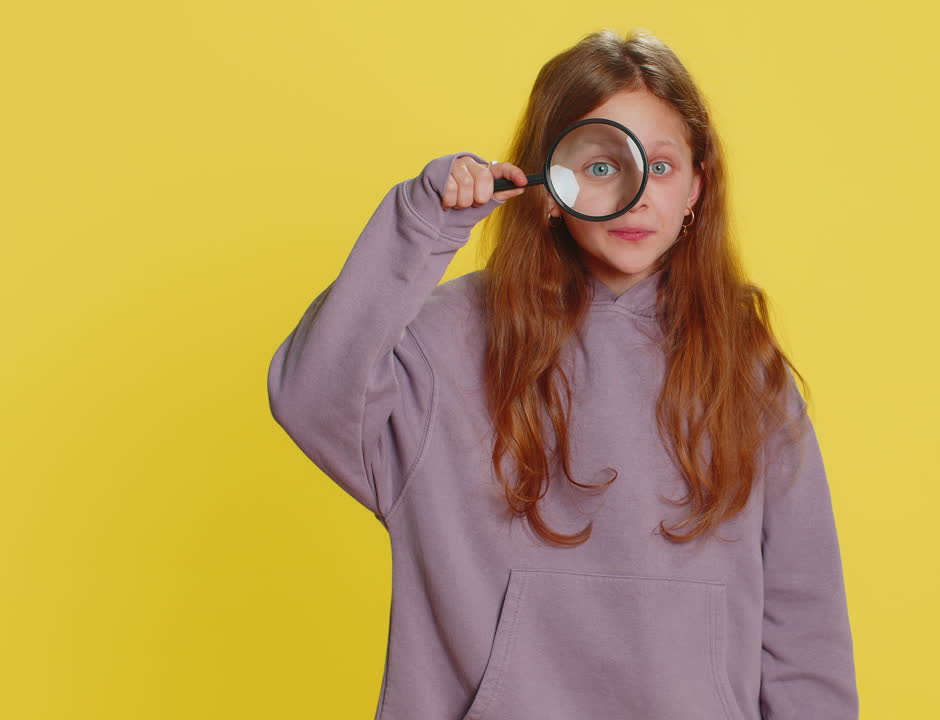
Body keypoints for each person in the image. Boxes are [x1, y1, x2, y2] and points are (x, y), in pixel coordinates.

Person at [267, 27, 859, 720]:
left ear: (699, 184)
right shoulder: (446, 342)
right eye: (602, 166)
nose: (638, 196)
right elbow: (312, 395)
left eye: (661, 167)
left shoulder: (745, 368)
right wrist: (421, 224)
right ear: (551, 184)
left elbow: (805, 621)